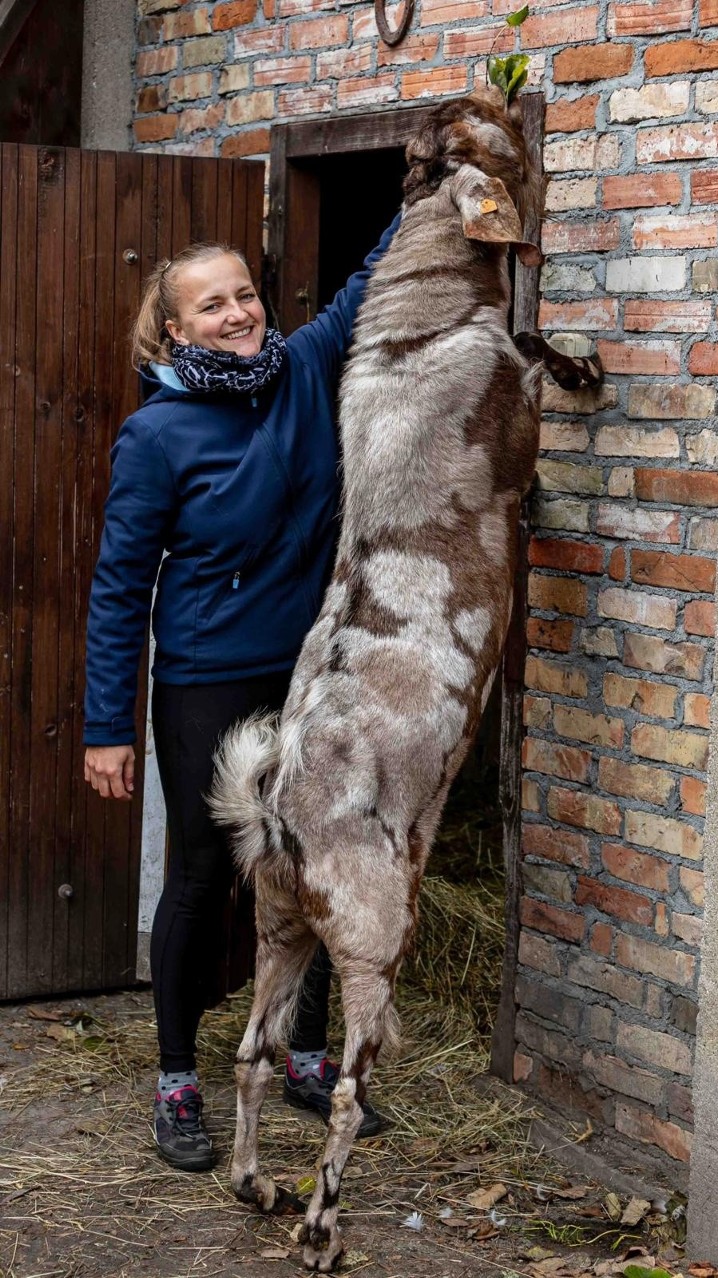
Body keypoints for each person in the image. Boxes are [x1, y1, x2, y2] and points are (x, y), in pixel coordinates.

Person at [83, 217, 400, 1172]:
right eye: (210, 304)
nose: (236, 314)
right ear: (175, 330)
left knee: (309, 864)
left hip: (308, 674)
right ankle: (177, 1077)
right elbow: (118, 585)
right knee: (199, 876)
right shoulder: (157, 434)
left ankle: (298, 1055)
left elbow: (364, 281)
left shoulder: (303, 369)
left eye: (245, 295)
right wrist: (107, 727)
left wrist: (438, 172)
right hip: (204, 678)